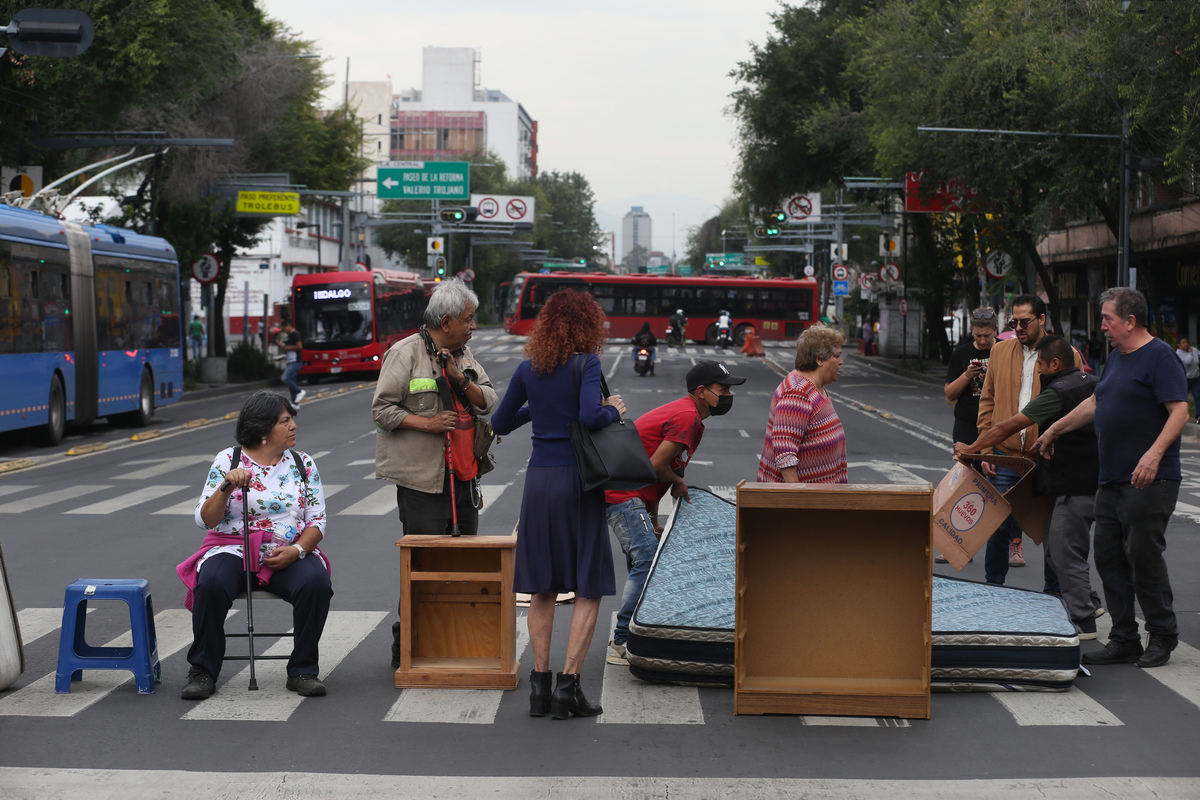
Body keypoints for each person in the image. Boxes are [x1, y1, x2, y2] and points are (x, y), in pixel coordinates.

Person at [491, 289, 627, 719]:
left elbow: (499, 422)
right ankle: (569, 688)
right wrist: (612, 409)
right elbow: (590, 417)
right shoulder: (587, 364)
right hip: (578, 481)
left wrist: (539, 410)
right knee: (588, 584)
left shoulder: (527, 369)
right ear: (587, 325)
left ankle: (540, 688)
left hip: (539, 481)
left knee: (542, 585)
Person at [1037, 288, 1188, 668]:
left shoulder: (1160, 356)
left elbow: (1180, 412)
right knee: (1107, 555)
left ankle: (1163, 634)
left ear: (1130, 321)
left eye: (1108, 319)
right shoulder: (1117, 357)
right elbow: (1096, 401)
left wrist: (1153, 455)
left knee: (1142, 555)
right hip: (1111, 477)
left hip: (1150, 478)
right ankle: (1124, 637)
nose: (1102, 326)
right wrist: (1055, 429)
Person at [372, 278, 497, 668]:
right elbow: (382, 410)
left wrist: (461, 378)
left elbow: (489, 400)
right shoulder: (405, 353)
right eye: (468, 319)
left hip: (464, 477)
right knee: (422, 564)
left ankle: (454, 639)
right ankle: (406, 642)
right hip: (423, 482)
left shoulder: (465, 355)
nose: (472, 326)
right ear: (446, 320)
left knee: (464, 564)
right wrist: (425, 424)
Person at [177, 390, 332, 699]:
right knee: (210, 583)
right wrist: (227, 486)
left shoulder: (303, 464)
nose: (293, 426)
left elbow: (317, 520)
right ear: (263, 429)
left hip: (286, 549)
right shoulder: (228, 459)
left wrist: (298, 551)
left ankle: (303, 670)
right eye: (285, 421)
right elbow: (204, 520)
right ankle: (203, 670)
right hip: (232, 547)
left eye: (292, 420)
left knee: (316, 582)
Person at [956, 336, 1104, 637]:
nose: (1037, 373)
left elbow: (1006, 426)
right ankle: (1089, 600)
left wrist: (971, 448)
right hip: (1095, 480)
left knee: (1062, 549)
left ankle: (1084, 617)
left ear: (1055, 364)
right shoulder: (1094, 383)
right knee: (1060, 544)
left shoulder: (1058, 391)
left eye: (1039, 367)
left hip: (1073, 483)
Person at [602, 360, 746, 665]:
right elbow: (655, 466)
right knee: (646, 562)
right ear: (702, 392)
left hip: (635, 495)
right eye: (724, 389)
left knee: (646, 561)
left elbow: (656, 475)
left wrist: (653, 518)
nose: (729, 395)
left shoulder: (694, 420)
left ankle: (636, 632)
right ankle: (622, 640)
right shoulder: (685, 416)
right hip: (622, 493)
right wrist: (679, 481)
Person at [977, 294, 1079, 586]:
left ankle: (1054, 593)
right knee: (998, 524)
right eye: (1014, 321)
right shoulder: (999, 352)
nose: (1018, 327)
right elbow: (988, 402)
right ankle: (993, 587)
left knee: (1052, 529)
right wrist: (985, 449)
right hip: (1006, 454)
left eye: (1025, 322)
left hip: (1047, 457)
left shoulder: (1066, 354)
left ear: (1042, 320)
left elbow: (1078, 407)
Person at [758, 323, 848, 484]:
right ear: (819, 359)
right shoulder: (798, 392)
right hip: (795, 504)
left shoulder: (815, 388)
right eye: (837, 356)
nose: (841, 362)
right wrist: (798, 499)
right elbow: (785, 453)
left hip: (819, 501)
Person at [945, 307, 998, 446]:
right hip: (967, 422)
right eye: (977, 335)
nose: (982, 341)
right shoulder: (961, 353)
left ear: (995, 330)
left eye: (987, 336)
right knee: (965, 466)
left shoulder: (1004, 350)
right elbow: (950, 394)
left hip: (997, 422)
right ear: (971, 330)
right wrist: (967, 375)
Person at [1174, 337, 1200, 423]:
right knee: (1183, 398)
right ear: (1179, 345)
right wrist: (1189, 353)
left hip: (1196, 378)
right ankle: (1181, 416)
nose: (1186, 344)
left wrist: (1193, 352)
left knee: (1197, 396)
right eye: (1183, 343)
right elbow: (1187, 362)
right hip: (1185, 379)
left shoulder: (1194, 350)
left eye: (1187, 342)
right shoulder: (1178, 354)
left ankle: (1198, 416)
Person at [280, 320, 305, 405]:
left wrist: (287, 348)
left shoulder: (295, 334)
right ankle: (295, 403)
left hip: (295, 361)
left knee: (285, 378)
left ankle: (299, 391)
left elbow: (299, 346)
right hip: (290, 360)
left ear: (289, 325)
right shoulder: (290, 335)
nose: (284, 330)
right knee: (292, 382)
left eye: (284, 327)